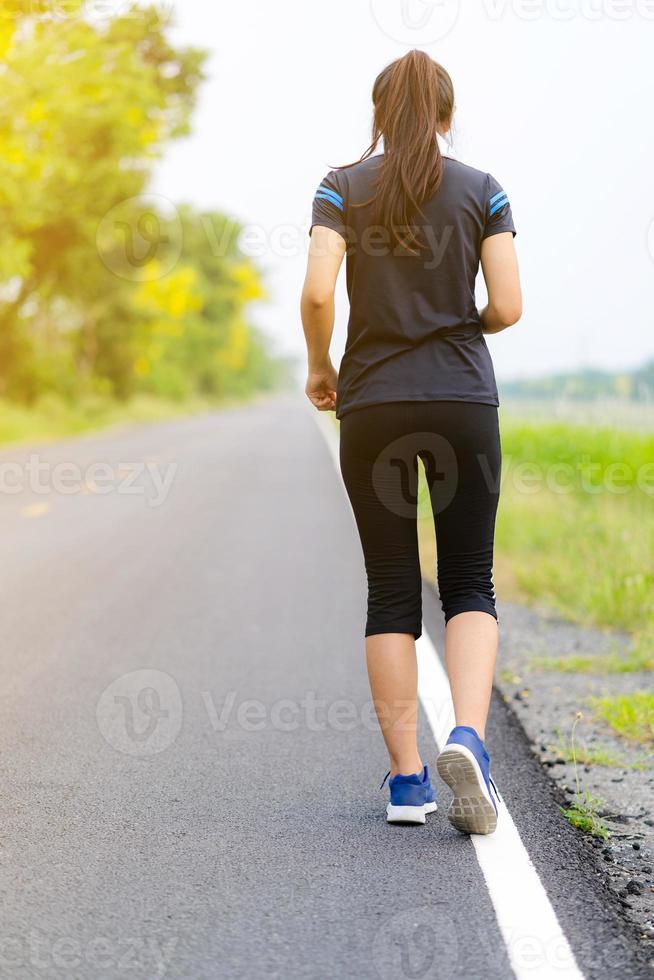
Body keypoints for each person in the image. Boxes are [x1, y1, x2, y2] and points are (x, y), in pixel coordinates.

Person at [300, 50, 521, 835]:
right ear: (446, 114)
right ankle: (467, 737)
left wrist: (323, 365)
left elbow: (320, 290)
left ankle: (406, 782)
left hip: (374, 407)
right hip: (463, 401)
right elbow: (510, 305)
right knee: (469, 584)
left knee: (392, 591)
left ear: (379, 114)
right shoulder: (483, 189)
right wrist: (469, 324)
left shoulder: (342, 187)